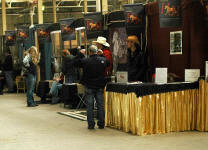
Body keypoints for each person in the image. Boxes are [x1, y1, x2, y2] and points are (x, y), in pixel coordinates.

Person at [74, 45, 110, 130]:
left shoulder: (86, 60)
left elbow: (75, 63)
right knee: (100, 105)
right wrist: (102, 55)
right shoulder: (103, 60)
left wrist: (79, 54)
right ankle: (101, 124)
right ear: (97, 51)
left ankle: (91, 124)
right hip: (100, 86)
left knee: (89, 106)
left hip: (89, 86)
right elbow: (108, 63)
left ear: (89, 52)